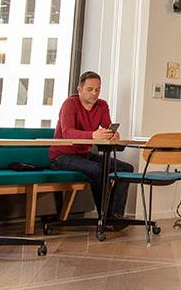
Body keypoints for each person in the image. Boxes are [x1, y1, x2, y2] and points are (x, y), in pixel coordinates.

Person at [49, 71, 134, 220]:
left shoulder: (102, 105)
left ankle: (115, 214)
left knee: (127, 168)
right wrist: (93, 135)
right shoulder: (70, 104)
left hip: (84, 155)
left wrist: (113, 134)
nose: (94, 93)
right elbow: (67, 132)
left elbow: (108, 127)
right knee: (97, 169)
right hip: (61, 156)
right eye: (90, 89)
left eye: (97, 90)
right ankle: (104, 216)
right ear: (79, 89)